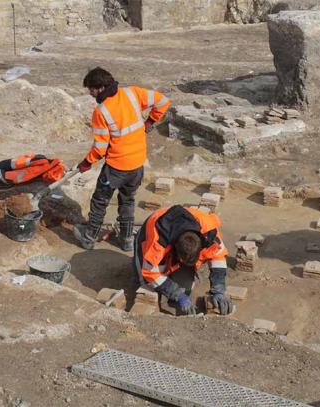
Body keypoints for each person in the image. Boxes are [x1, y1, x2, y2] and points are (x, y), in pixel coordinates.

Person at [73, 67, 170, 251]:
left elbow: (100, 148)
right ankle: (126, 240)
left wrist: (87, 163)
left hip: (116, 168)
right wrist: (149, 122)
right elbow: (163, 101)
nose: (90, 93)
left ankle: (89, 238)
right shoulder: (132, 93)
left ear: (101, 87)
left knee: (100, 201)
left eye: (91, 89)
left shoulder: (101, 111)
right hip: (137, 164)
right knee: (128, 200)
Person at [133, 205, 233, 316]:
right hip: (149, 233)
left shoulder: (208, 230)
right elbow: (150, 272)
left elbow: (218, 256)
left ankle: (173, 283)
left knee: (184, 287)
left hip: (179, 236)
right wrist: (177, 294)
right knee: (147, 284)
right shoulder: (157, 242)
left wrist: (218, 289)